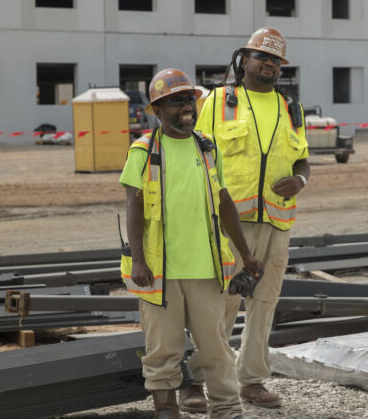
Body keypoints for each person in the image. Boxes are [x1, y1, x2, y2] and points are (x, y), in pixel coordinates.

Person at [120, 68, 262, 419]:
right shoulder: (143, 151)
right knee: (163, 352)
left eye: (189, 99)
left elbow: (225, 202)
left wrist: (245, 254)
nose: (186, 107)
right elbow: (133, 206)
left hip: (205, 270)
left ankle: (227, 411)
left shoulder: (208, 148)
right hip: (159, 274)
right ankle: (168, 412)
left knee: (215, 349)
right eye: (175, 102)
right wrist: (138, 260)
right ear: (157, 110)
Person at [190, 27, 310, 410]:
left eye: (276, 60)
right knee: (220, 302)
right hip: (229, 224)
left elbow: (302, 157)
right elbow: (198, 156)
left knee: (264, 303)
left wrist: (302, 178)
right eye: (263, 57)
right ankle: (198, 378)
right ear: (244, 60)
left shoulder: (290, 107)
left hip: (276, 224)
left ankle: (252, 381)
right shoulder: (219, 101)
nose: (269, 65)